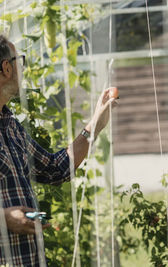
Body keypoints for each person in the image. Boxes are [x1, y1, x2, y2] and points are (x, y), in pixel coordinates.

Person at [0, 35, 117, 266]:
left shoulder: (10, 126)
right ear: (6, 68)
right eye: (19, 61)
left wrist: (94, 125)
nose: (23, 69)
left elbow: (55, 168)